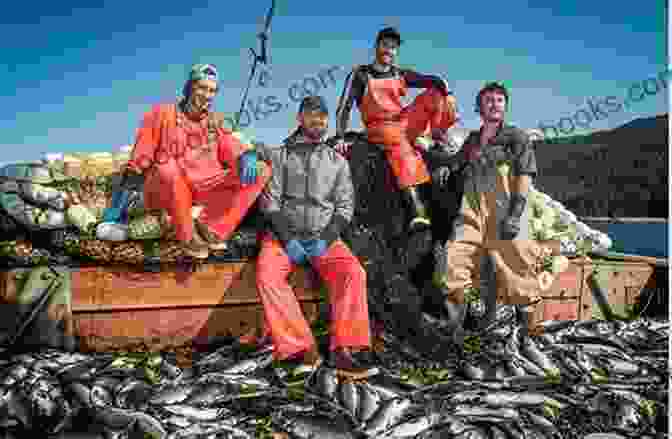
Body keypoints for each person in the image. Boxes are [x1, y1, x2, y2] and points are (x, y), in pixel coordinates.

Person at [256, 95, 374, 379]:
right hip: (283, 237)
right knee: (267, 275)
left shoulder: (337, 162)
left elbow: (345, 207)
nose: (318, 121)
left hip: (324, 237)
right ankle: (301, 347)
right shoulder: (280, 155)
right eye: (311, 115)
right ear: (300, 118)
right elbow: (270, 204)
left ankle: (344, 349)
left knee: (352, 272)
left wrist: (326, 238)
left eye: (322, 116)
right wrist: (288, 240)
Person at [432, 81, 544, 340]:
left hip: (505, 211)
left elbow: (525, 175)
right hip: (471, 212)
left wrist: (515, 215)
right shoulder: (472, 140)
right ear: (479, 108)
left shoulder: (517, 137)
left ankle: (527, 332)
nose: (495, 104)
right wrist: (444, 166)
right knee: (452, 261)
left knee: (519, 267)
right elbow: (455, 162)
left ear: (505, 107)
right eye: (489, 100)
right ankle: (459, 324)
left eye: (499, 100)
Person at [125, 64, 271, 258]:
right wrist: (122, 198)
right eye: (202, 88)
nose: (207, 95)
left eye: (212, 91)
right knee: (166, 166)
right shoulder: (160, 113)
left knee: (261, 169)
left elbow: (232, 148)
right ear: (189, 87)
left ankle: (211, 228)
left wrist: (247, 154)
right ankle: (187, 237)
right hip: (166, 188)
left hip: (203, 189)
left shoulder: (215, 122)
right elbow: (140, 158)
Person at [334, 26, 459, 233]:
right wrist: (340, 137)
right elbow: (344, 107)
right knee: (399, 143)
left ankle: (437, 137)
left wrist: (445, 88)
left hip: (402, 122)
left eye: (393, 48)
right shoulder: (360, 74)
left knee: (437, 94)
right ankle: (416, 210)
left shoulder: (400, 73)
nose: (389, 51)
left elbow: (432, 81)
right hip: (379, 127)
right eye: (385, 45)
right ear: (376, 46)